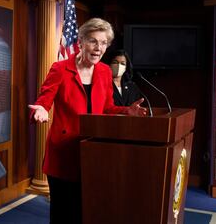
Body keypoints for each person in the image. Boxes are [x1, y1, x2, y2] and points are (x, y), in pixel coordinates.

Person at [28, 18, 147, 224]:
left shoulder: (103, 72)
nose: (98, 48)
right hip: (64, 154)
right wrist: (39, 109)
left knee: (87, 211)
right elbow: (43, 100)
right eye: (93, 41)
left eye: (103, 43)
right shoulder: (60, 69)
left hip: (94, 153)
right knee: (63, 214)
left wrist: (128, 111)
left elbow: (107, 108)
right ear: (81, 42)